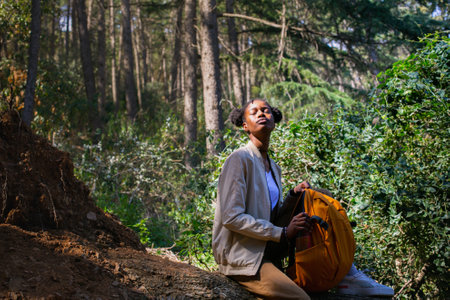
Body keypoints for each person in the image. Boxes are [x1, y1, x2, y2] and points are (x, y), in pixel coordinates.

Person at [212, 99, 394, 299]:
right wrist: (282, 232)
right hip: (242, 256)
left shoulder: (273, 167)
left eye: (266, 111)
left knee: (315, 195)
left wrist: (292, 197)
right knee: (302, 298)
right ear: (245, 125)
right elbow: (231, 217)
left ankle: (348, 274)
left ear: (274, 119)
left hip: (267, 247)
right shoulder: (239, 159)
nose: (262, 114)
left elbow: (269, 213)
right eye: (254, 112)